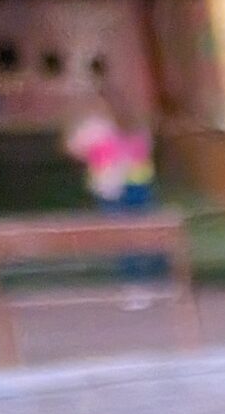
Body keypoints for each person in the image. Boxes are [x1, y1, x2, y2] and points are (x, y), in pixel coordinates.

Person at [62, 102, 159, 304]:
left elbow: (138, 150)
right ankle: (140, 283)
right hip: (129, 185)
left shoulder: (107, 127)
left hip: (119, 187)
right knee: (131, 238)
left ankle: (138, 285)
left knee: (129, 238)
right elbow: (75, 148)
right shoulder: (107, 127)